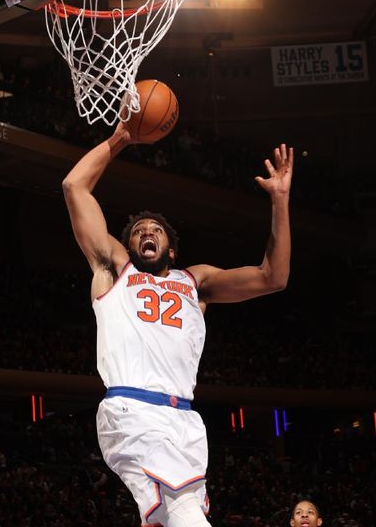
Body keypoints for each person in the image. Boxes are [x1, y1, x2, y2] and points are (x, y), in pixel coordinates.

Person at [62, 122, 292, 527]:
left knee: (167, 517)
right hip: (131, 407)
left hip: (184, 420)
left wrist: (280, 200)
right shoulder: (114, 267)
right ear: (129, 245)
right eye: (138, 231)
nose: (147, 232)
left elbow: (273, 277)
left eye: (156, 230)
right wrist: (121, 139)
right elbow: (74, 187)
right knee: (186, 515)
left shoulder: (196, 282)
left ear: (172, 246)